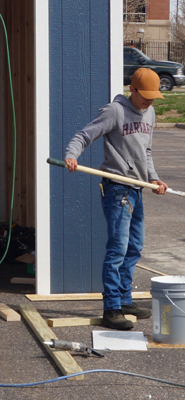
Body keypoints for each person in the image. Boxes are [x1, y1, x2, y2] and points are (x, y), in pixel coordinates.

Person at [64, 68, 168, 330]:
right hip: (117, 190)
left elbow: (147, 151)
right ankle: (111, 308)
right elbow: (83, 136)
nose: (149, 102)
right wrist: (71, 154)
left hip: (137, 188)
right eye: (145, 96)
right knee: (117, 249)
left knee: (134, 247)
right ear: (131, 90)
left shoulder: (151, 113)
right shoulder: (115, 111)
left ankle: (124, 299)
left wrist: (153, 178)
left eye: (153, 97)